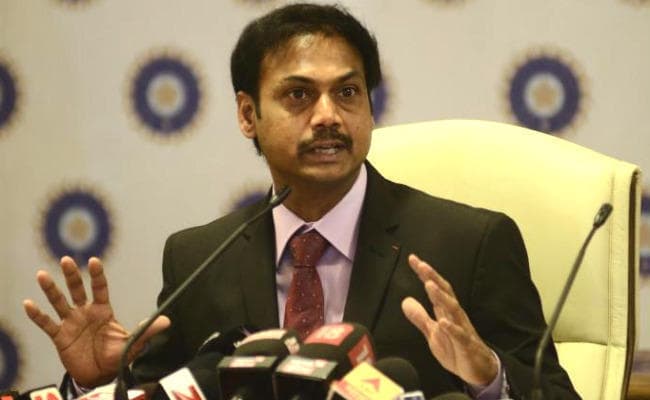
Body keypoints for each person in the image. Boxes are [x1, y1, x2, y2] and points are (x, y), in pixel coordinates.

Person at [23, 3, 580, 399]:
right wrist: (100, 382)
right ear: (248, 115)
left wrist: (489, 378)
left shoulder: (469, 244)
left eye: (348, 92)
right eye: (298, 95)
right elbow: (161, 391)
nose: (328, 116)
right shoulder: (199, 257)